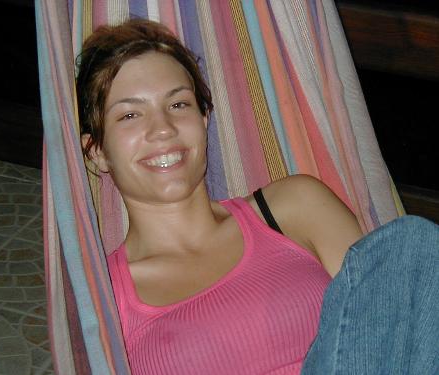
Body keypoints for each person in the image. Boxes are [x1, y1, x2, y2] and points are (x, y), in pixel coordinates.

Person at [76, 19, 438, 375]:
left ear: (204, 119)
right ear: (97, 151)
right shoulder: (103, 296)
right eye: (130, 115)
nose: (162, 129)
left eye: (178, 105)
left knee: (410, 244)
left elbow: (392, 333)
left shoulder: (293, 208)